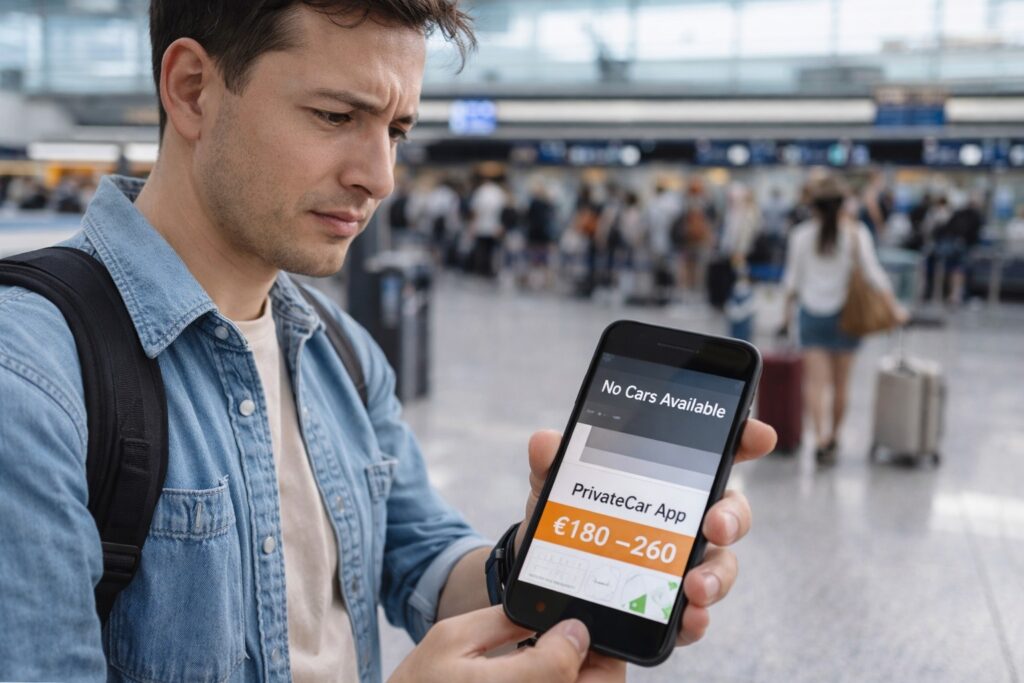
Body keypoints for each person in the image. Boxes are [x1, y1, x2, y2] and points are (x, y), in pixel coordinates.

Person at [0, 2, 777, 682]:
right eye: (337, 116)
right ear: (193, 89)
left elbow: (426, 559)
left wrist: (541, 558)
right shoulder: (32, 377)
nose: (381, 176)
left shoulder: (338, 349)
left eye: (397, 129)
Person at [782, 174, 903, 465]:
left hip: (811, 315)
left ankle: (819, 438)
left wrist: (785, 318)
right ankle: (834, 437)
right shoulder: (856, 233)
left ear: (814, 206)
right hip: (846, 317)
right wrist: (895, 309)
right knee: (841, 384)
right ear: (842, 205)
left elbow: (791, 283)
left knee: (815, 384)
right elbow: (874, 276)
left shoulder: (800, 235)